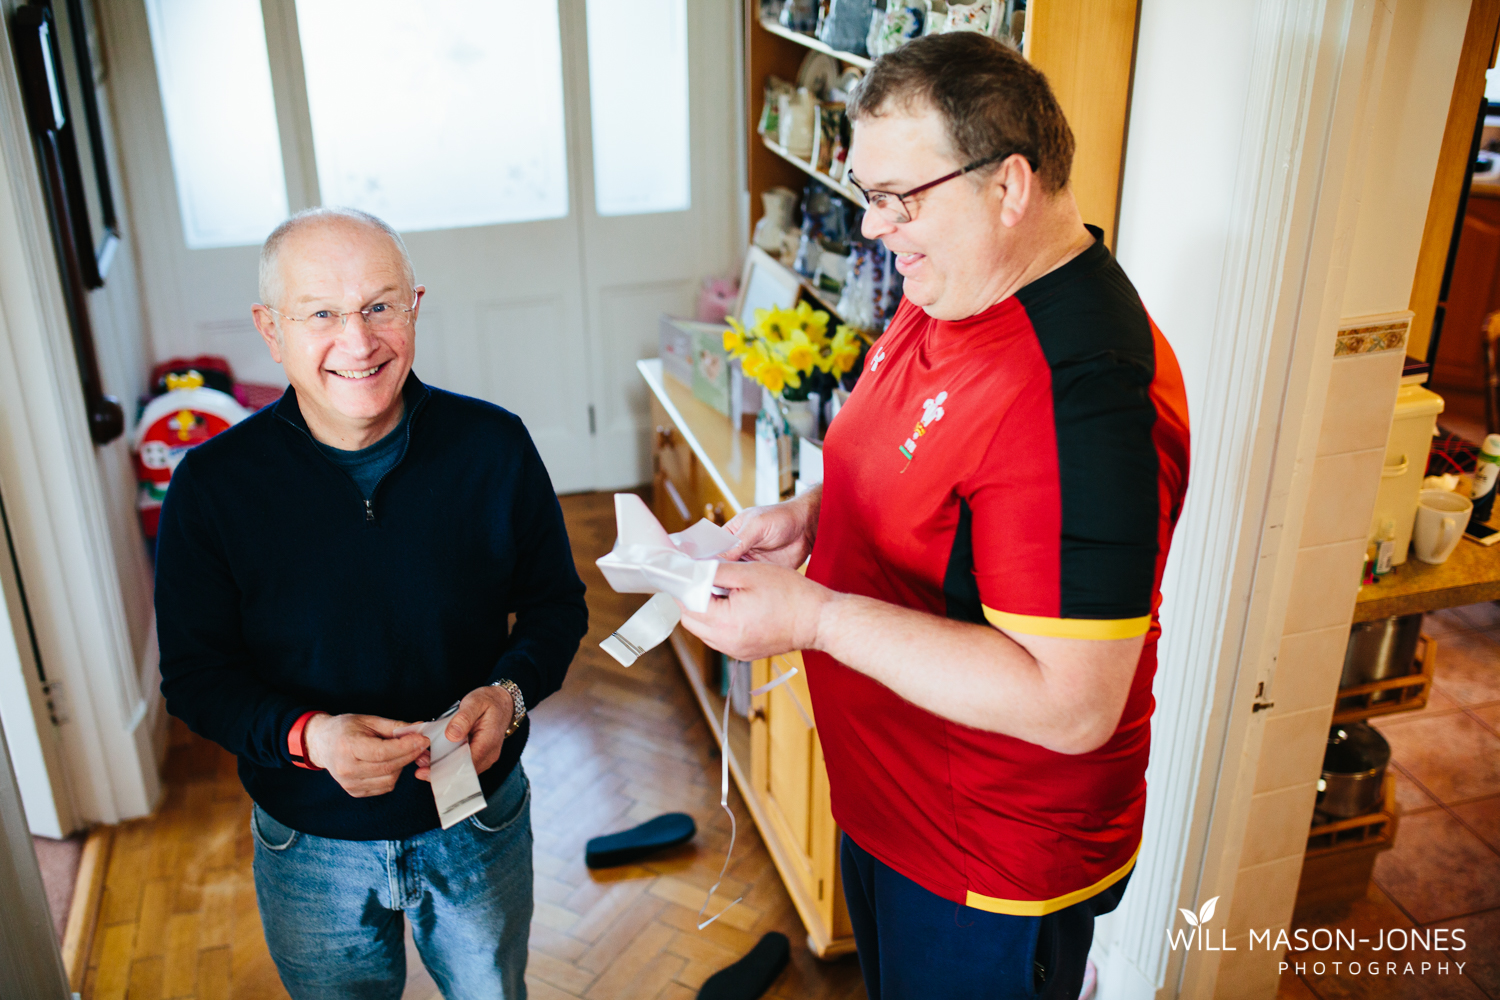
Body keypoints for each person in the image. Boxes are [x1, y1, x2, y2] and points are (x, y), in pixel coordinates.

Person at [679, 33, 1191, 1000]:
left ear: (1009, 186)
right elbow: (938, 471)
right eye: (866, 193)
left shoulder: (1080, 396)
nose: (874, 228)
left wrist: (813, 617)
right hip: (895, 800)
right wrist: (817, 514)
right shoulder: (956, 281)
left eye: (896, 199)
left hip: (985, 860)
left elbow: (1072, 702)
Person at [155, 207, 587, 1000]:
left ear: (414, 307)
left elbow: (557, 606)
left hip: (477, 822)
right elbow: (194, 676)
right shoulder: (211, 488)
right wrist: (310, 738)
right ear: (269, 328)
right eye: (320, 313)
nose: (358, 342)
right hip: (307, 844)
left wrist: (511, 693)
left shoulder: (495, 447)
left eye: (380, 305)